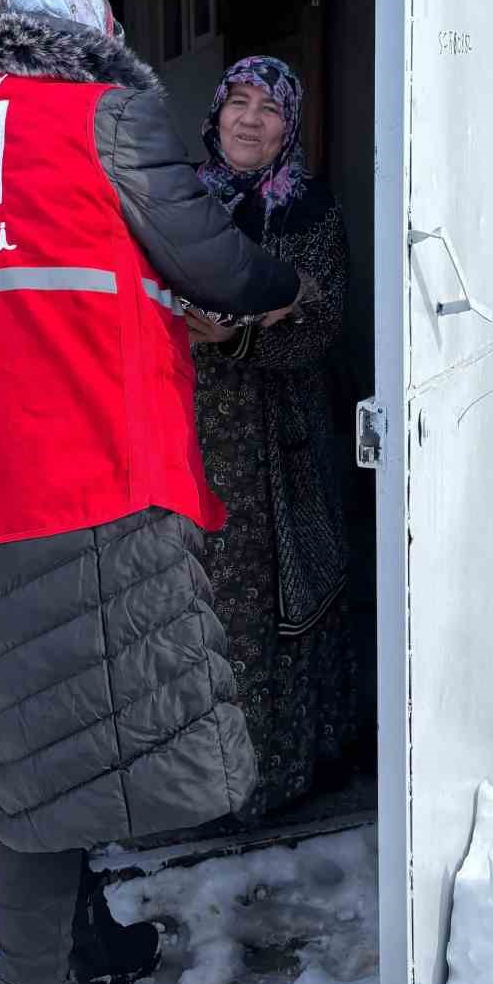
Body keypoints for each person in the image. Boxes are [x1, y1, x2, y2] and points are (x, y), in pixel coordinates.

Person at [0, 0, 301, 984]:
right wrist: (289, 288)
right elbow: (212, 258)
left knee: (45, 737)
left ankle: (75, 949)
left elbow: (59, 273)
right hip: (91, 477)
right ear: (89, 35)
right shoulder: (99, 116)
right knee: (75, 754)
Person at [185, 57, 357, 823]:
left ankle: (276, 779)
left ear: (290, 125)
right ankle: (202, 785)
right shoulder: (179, 202)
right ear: (217, 112)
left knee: (279, 603)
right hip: (193, 429)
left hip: (280, 439)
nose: (250, 120)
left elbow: (322, 320)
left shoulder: (309, 210)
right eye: (239, 103)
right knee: (201, 603)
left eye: (270, 109)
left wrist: (238, 338)